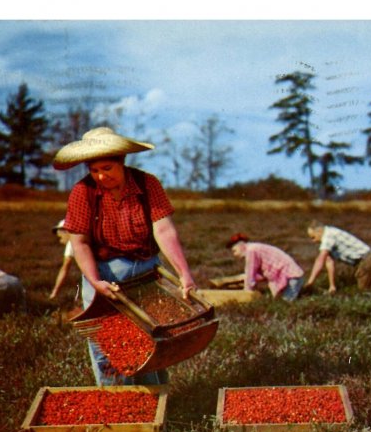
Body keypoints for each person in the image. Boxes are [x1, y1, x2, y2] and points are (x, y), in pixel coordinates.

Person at [53, 127, 197, 386]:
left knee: (152, 341)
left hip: (145, 272)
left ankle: (155, 405)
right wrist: (96, 281)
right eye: (93, 169)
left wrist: (184, 274)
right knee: (111, 348)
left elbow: (163, 230)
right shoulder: (82, 192)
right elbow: (81, 242)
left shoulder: (146, 184)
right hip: (104, 276)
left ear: (122, 161)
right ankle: (120, 411)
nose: (100, 175)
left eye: (107, 168)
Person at [304, 221, 371, 294]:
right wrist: (332, 286)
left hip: (368, 260)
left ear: (319, 232)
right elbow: (329, 262)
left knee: (365, 292)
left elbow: (320, 260)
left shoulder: (328, 236)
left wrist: (310, 282)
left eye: (313, 237)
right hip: (365, 261)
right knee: (368, 290)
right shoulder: (328, 237)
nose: (313, 241)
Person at [225, 233, 305, 302]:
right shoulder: (254, 248)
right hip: (287, 276)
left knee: (286, 302)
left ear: (241, 246)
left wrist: (247, 291)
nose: (234, 255)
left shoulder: (251, 250)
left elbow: (250, 272)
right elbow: (260, 275)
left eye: (234, 251)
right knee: (279, 302)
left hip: (291, 276)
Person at [49, 219, 77, 300]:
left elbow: (65, 268)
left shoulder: (72, 242)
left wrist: (55, 292)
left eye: (60, 236)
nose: (60, 241)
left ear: (66, 231)